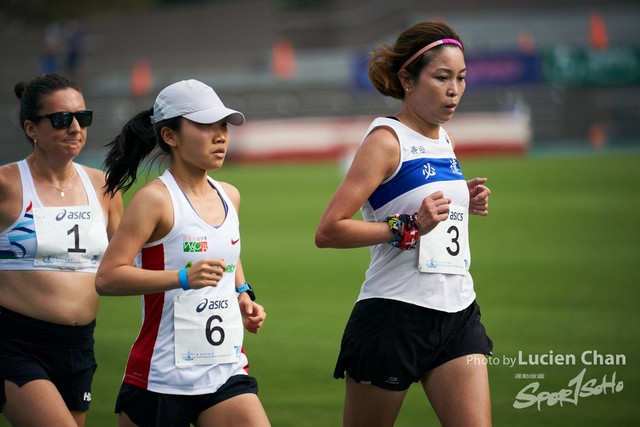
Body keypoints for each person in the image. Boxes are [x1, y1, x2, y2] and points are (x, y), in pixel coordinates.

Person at [315, 22, 493, 427]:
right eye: (442, 77)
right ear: (407, 80)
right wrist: (409, 225)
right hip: (394, 317)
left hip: (458, 311)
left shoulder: (444, 138)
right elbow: (328, 231)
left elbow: (421, 196)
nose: (454, 89)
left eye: (461, 78)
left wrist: (462, 196)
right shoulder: (385, 139)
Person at [95, 79, 271, 427]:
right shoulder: (154, 201)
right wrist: (181, 279)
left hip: (225, 369)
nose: (221, 135)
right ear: (169, 136)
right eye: (206, 126)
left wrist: (243, 294)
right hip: (161, 377)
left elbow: (228, 254)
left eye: (223, 126)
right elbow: (107, 277)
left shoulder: (229, 195)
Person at [0, 74, 123, 426]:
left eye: (82, 118)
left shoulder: (103, 186)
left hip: (78, 347)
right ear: (31, 128)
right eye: (60, 119)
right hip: (15, 345)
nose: (74, 128)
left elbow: (131, 260)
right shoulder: (6, 185)